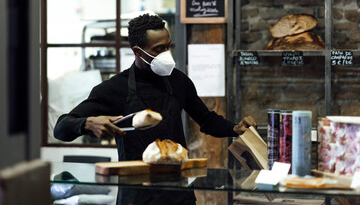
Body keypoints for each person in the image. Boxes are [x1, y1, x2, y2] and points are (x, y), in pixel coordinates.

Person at [54, 13, 256, 204]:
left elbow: (207, 120)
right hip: (137, 196)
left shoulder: (178, 81)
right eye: (158, 49)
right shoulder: (114, 88)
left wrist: (234, 129)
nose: (165, 54)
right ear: (137, 51)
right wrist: (87, 123)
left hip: (178, 194)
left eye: (168, 47)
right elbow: (61, 128)